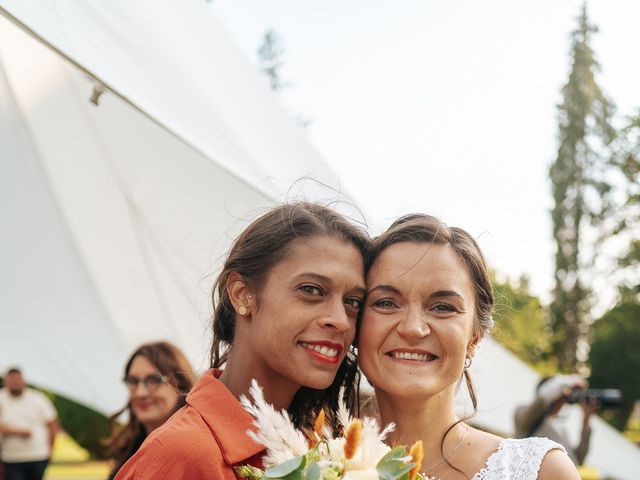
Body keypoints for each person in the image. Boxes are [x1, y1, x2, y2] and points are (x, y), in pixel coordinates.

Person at [115, 202, 368, 479]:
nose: (341, 320)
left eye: (353, 301)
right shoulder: (182, 453)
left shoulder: (320, 450)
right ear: (242, 293)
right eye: (311, 290)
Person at [358, 214, 581, 479]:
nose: (412, 328)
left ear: (474, 336)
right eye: (386, 303)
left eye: (442, 307)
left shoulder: (540, 471)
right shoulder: (308, 454)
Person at [106, 342, 196, 479]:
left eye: (153, 380)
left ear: (181, 384)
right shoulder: (130, 450)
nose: (140, 393)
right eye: (133, 381)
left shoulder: (194, 452)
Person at [515, 374, 595, 466]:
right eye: (560, 395)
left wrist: (586, 420)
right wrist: (569, 381)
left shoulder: (561, 429)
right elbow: (543, 397)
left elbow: (578, 460)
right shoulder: (522, 412)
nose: (563, 401)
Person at [0, 368, 58, 480]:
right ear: (6, 382)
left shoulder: (37, 398)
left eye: (17, 380)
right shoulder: (1, 398)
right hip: (11, 458)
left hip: (37, 456)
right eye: (12, 381)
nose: (15, 383)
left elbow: (52, 425)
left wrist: (51, 451)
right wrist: (16, 432)